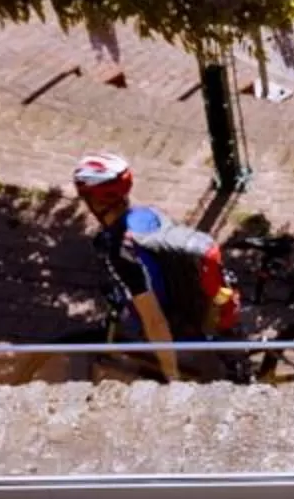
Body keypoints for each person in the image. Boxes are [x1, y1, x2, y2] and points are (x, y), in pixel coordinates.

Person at [70, 153, 239, 375]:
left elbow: (155, 321)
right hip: (194, 301)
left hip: (172, 326)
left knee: (142, 366)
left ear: (97, 201)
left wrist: (172, 375)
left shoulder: (120, 253)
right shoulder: (147, 213)